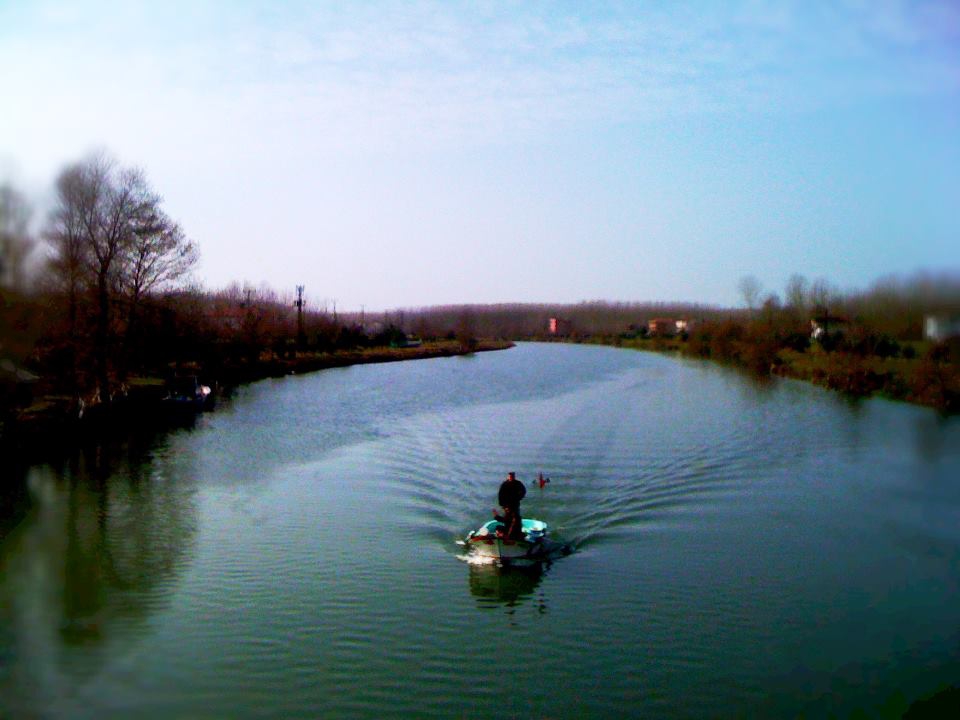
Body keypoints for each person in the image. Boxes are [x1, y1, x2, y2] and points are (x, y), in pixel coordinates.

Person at [494, 471, 526, 539]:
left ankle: (513, 534)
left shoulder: (518, 483)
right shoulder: (505, 484)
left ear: (514, 477)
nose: (511, 478)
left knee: (515, 519)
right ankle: (508, 531)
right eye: (510, 476)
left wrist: (519, 497)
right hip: (507, 504)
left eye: (512, 476)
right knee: (508, 519)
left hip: (515, 503)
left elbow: (523, 491)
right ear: (508, 477)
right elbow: (500, 494)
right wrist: (502, 505)